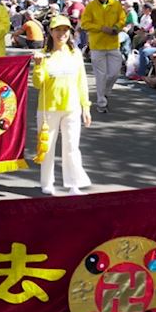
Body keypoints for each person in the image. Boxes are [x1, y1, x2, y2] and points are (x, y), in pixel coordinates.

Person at [30, 15, 92, 196]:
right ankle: (47, 182)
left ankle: (74, 184)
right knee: (47, 147)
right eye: (58, 30)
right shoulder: (43, 54)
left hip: (71, 107)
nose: (62, 34)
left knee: (72, 146)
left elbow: (82, 81)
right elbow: (37, 84)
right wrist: (38, 66)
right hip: (48, 108)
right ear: (51, 32)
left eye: (65, 30)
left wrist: (86, 106)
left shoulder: (75, 54)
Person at [80, 0, 125, 114]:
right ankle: (101, 103)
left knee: (114, 73)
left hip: (113, 44)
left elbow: (122, 19)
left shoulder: (115, 4)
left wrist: (116, 27)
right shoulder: (91, 6)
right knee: (101, 75)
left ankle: (104, 92)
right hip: (97, 45)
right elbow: (85, 24)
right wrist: (100, 28)